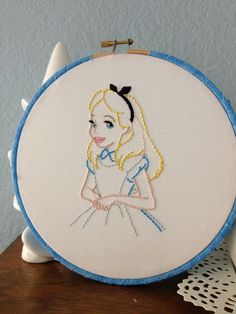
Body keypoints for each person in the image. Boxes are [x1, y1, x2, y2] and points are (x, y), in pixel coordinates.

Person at [70, 84, 165, 236]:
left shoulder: (132, 162)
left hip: (127, 218)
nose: (96, 130)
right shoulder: (97, 158)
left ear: (126, 127)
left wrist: (114, 199)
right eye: (93, 123)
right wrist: (96, 199)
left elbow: (148, 201)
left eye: (108, 124)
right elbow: (86, 190)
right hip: (100, 214)